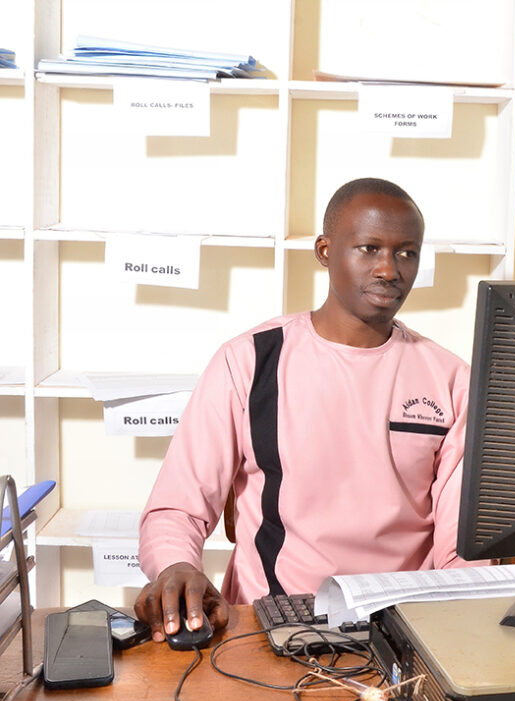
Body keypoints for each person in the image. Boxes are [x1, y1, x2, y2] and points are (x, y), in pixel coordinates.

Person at [135, 177, 477, 642]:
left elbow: (461, 547)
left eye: (406, 253)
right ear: (324, 251)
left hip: (400, 627)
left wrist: (452, 629)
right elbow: (177, 508)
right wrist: (176, 565)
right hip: (269, 623)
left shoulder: (451, 379)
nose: (388, 269)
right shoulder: (249, 361)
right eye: (369, 249)